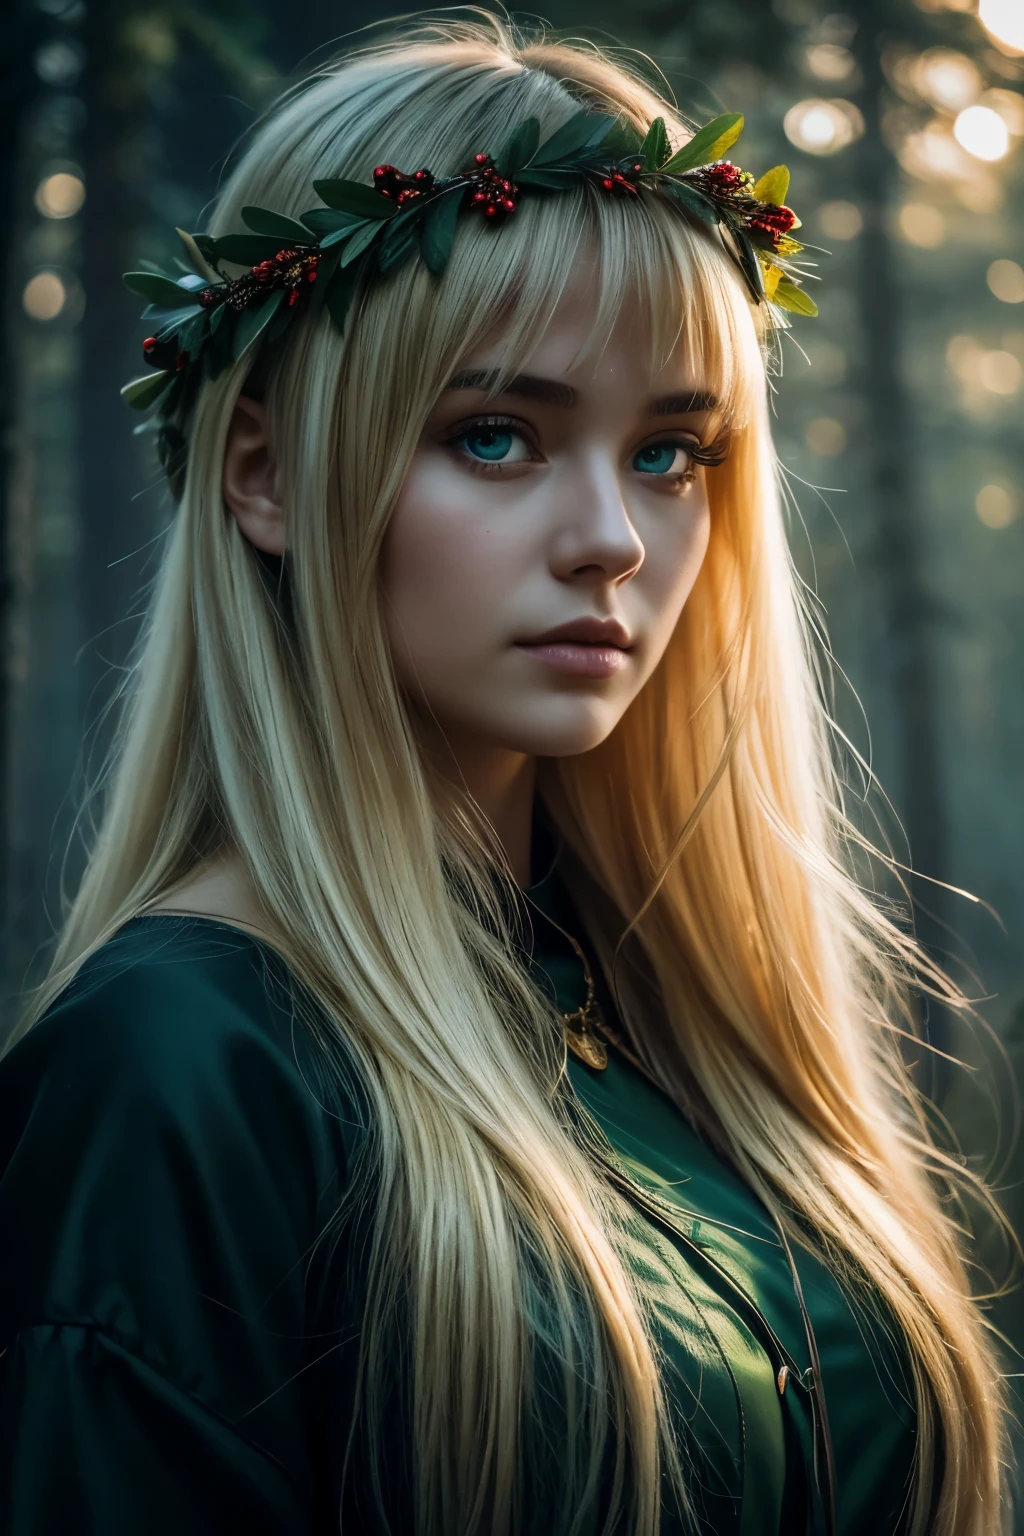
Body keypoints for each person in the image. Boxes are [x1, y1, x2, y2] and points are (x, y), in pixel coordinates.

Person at [0, 16, 1009, 1536]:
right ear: (263, 474)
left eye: (672, 452)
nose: (613, 535)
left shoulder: (678, 1026)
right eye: (496, 435)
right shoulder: (182, 1073)